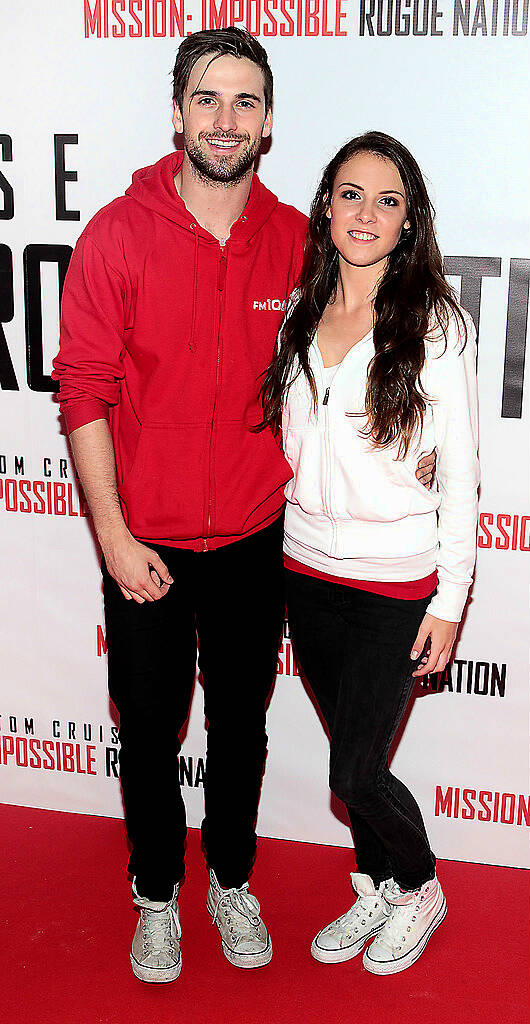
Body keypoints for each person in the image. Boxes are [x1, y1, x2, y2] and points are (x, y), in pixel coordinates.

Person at [53, 30, 434, 981]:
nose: (226, 120)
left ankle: (229, 882)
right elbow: (84, 392)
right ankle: (155, 895)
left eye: (246, 102)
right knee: (147, 730)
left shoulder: (296, 242)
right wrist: (111, 533)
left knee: (243, 729)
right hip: (144, 546)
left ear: (269, 125)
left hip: (260, 543)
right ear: (178, 112)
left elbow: (356, 356)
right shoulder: (115, 234)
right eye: (209, 100)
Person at [259, 131, 479, 975]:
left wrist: (451, 601)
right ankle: (380, 882)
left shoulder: (439, 326)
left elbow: (460, 473)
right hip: (306, 572)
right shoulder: (300, 310)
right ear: (325, 204)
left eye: (388, 200)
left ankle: (419, 885)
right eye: (351, 193)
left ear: (408, 221)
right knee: (354, 759)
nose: (366, 213)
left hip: (396, 583)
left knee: (353, 767)